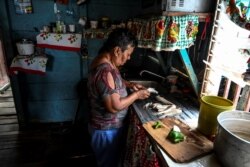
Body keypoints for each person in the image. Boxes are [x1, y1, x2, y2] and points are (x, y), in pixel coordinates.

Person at [87, 28, 150, 167]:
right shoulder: (105, 71)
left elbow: (113, 83)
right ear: (117, 51)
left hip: (105, 129)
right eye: (128, 54)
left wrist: (130, 84)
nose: (129, 58)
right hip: (106, 131)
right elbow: (114, 107)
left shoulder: (105, 61)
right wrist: (136, 95)